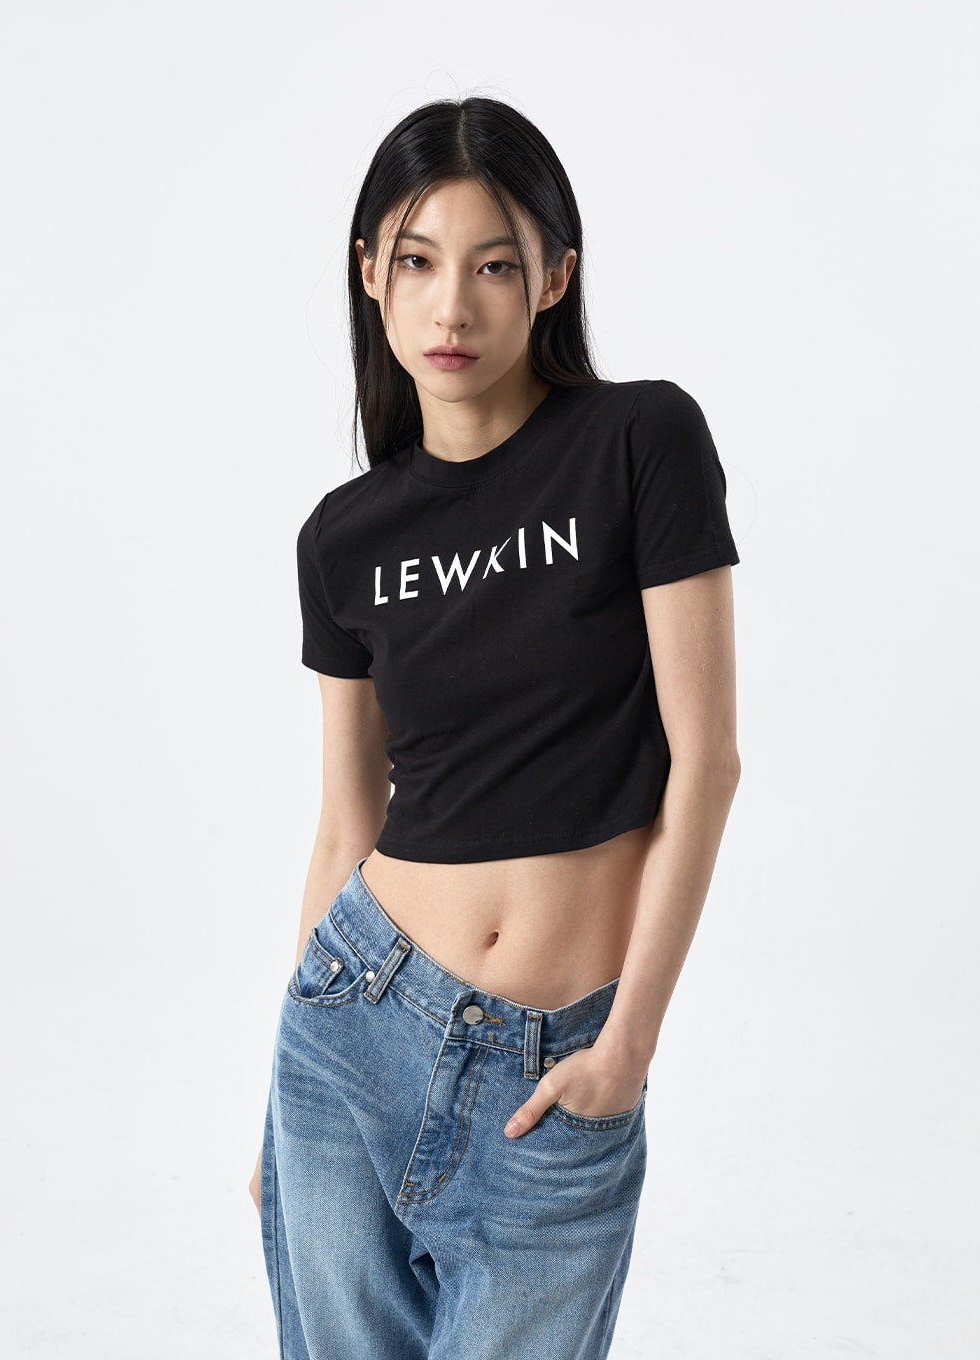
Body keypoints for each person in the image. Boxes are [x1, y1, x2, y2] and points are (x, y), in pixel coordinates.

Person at [249, 95, 741, 1360]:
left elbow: (705, 764)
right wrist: (275, 1106)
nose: (451, 308)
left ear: (553, 277)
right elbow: (345, 823)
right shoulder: (341, 538)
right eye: (417, 262)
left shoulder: (639, 441)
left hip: (554, 1068)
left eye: (493, 266)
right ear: (370, 273)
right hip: (349, 1033)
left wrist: (625, 1049)